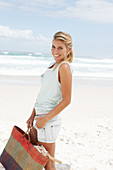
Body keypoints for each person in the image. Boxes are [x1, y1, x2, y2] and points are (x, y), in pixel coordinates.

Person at [26, 31, 73, 170]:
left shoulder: (64, 67)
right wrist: (32, 115)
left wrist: (45, 119)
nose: (55, 51)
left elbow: (67, 100)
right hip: (39, 118)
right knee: (36, 159)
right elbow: (43, 94)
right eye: (53, 47)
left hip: (48, 122)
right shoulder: (52, 66)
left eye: (60, 48)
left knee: (48, 164)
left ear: (68, 50)